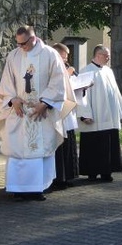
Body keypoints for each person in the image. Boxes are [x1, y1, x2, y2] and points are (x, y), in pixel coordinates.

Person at [0, 26, 75, 201]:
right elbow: (6, 82)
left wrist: (45, 103)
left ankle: (38, 188)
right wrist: (12, 99)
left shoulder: (50, 54)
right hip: (20, 111)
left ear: (33, 38)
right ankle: (17, 189)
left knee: (40, 151)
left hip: (42, 112)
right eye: (18, 43)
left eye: (23, 43)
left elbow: (58, 81)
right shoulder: (14, 55)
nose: (20, 46)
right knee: (17, 149)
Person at [77, 45, 122, 182]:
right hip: (95, 117)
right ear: (98, 55)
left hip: (109, 116)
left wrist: (119, 110)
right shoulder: (86, 71)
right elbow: (82, 95)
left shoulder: (108, 71)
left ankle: (107, 172)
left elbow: (115, 92)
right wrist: (85, 114)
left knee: (108, 143)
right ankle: (92, 173)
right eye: (106, 55)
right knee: (93, 144)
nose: (108, 58)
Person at [50, 42, 82, 190]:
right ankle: (58, 178)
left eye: (67, 57)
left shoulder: (64, 68)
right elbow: (55, 87)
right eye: (63, 57)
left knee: (69, 144)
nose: (65, 60)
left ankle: (68, 176)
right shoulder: (51, 67)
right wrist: (67, 76)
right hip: (57, 113)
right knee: (60, 146)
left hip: (67, 112)